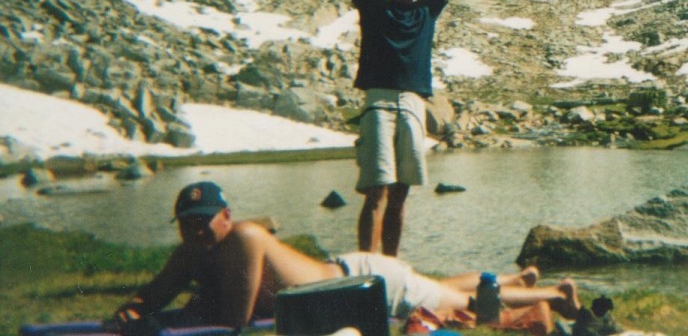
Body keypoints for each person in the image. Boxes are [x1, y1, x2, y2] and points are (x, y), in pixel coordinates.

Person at [108, 182, 580, 334]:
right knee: (438, 284)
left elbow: (236, 318)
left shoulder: (246, 238)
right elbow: (155, 292)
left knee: (449, 301)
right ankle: (518, 275)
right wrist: (134, 307)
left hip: (362, 281)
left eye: (205, 218)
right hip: (348, 271)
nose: (196, 227)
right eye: (188, 220)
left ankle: (551, 294)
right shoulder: (189, 252)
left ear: (227, 217)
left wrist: (169, 317)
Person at [333, 0, 474, 256]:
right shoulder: (373, 4)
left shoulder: (427, 10)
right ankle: (368, 262)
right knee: (377, 189)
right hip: (378, 104)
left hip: (413, 106)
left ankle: (391, 264)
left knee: (401, 192)